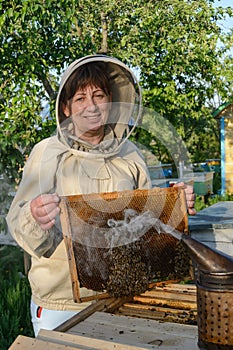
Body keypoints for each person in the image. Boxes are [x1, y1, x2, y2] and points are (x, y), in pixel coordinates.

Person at [6, 55, 196, 337]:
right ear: (66, 108)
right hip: (61, 305)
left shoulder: (130, 153)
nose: (91, 106)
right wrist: (34, 215)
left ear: (111, 101)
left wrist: (173, 206)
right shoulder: (46, 153)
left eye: (98, 95)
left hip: (127, 296)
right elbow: (17, 225)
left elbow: (146, 223)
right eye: (80, 98)